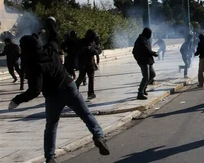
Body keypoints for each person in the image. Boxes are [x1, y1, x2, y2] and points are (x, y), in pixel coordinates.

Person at [7, 17, 110, 163]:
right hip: (70, 87)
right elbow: (54, 35)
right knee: (86, 114)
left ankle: (50, 158)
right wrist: (50, 22)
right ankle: (98, 136)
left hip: (53, 96)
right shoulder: (51, 49)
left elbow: (35, 90)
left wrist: (17, 100)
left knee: (51, 126)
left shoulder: (35, 65)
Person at [132, 28, 159, 100]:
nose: (150, 36)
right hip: (143, 61)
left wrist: (152, 52)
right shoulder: (141, 40)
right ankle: (140, 93)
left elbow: (147, 50)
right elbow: (146, 50)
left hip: (148, 61)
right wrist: (153, 53)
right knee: (146, 77)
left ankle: (144, 88)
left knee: (152, 74)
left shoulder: (143, 39)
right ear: (146, 33)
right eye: (149, 34)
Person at [75, 30, 102, 100]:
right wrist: (84, 49)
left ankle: (91, 93)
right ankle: (75, 87)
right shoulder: (81, 42)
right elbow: (76, 52)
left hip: (90, 63)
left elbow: (99, 51)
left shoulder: (93, 42)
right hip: (82, 63)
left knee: (91, 78)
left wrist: (93, 50)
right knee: (81, 76)